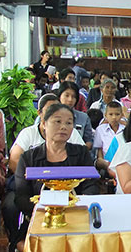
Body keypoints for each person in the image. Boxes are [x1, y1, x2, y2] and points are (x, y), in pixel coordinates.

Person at [15, 103, 99, 239]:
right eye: (57, 121)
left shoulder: (81, 152)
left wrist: (73, 208)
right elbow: (21, 196)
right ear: (44, 124)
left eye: (69, 123)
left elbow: (91, 186)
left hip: (76, 216)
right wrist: (47, 210)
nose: (63, 127)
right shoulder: (29, 157)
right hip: (40, 217)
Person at [8, 94, 85, 172]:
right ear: (39, 113)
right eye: (49, 110)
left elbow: (83, 161)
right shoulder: (28, 133)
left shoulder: (71, 132)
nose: (54, 114)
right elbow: (14, 161)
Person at [57, 81, 95, 148]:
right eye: (67, 95)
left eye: (73, 96)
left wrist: (80, 151)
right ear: (59, 96)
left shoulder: (83, 117)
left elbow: (89, 140)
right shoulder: (51, 116)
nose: (70, 99)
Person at [94, 102, 126, 171]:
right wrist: (102, 162)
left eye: (117, 114)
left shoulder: (126, 130)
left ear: (122, 115)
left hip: (123, 162)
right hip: (106, 163)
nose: (114, 117)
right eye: (111, 114)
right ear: (105, 115)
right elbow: (99, 150)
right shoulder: (100, 130)